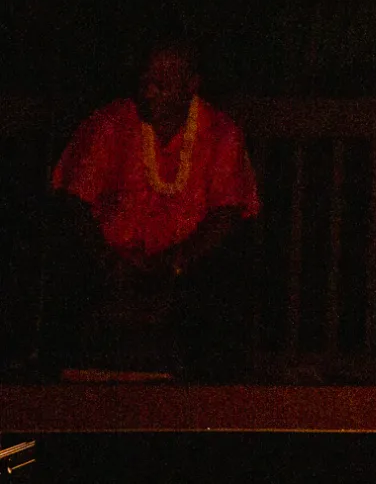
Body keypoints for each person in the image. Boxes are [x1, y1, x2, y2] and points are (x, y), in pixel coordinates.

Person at [47, 38, 259, 377]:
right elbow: (74, 199)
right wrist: (107, 258)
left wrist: (176, 262)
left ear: (191, 86)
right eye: (145, 81)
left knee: (220, 287)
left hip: (186, 269)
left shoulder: (220, 132)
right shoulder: (110, 123)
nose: (149, 92)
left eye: (161, 85)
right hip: (108, 263)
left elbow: (228, 211)